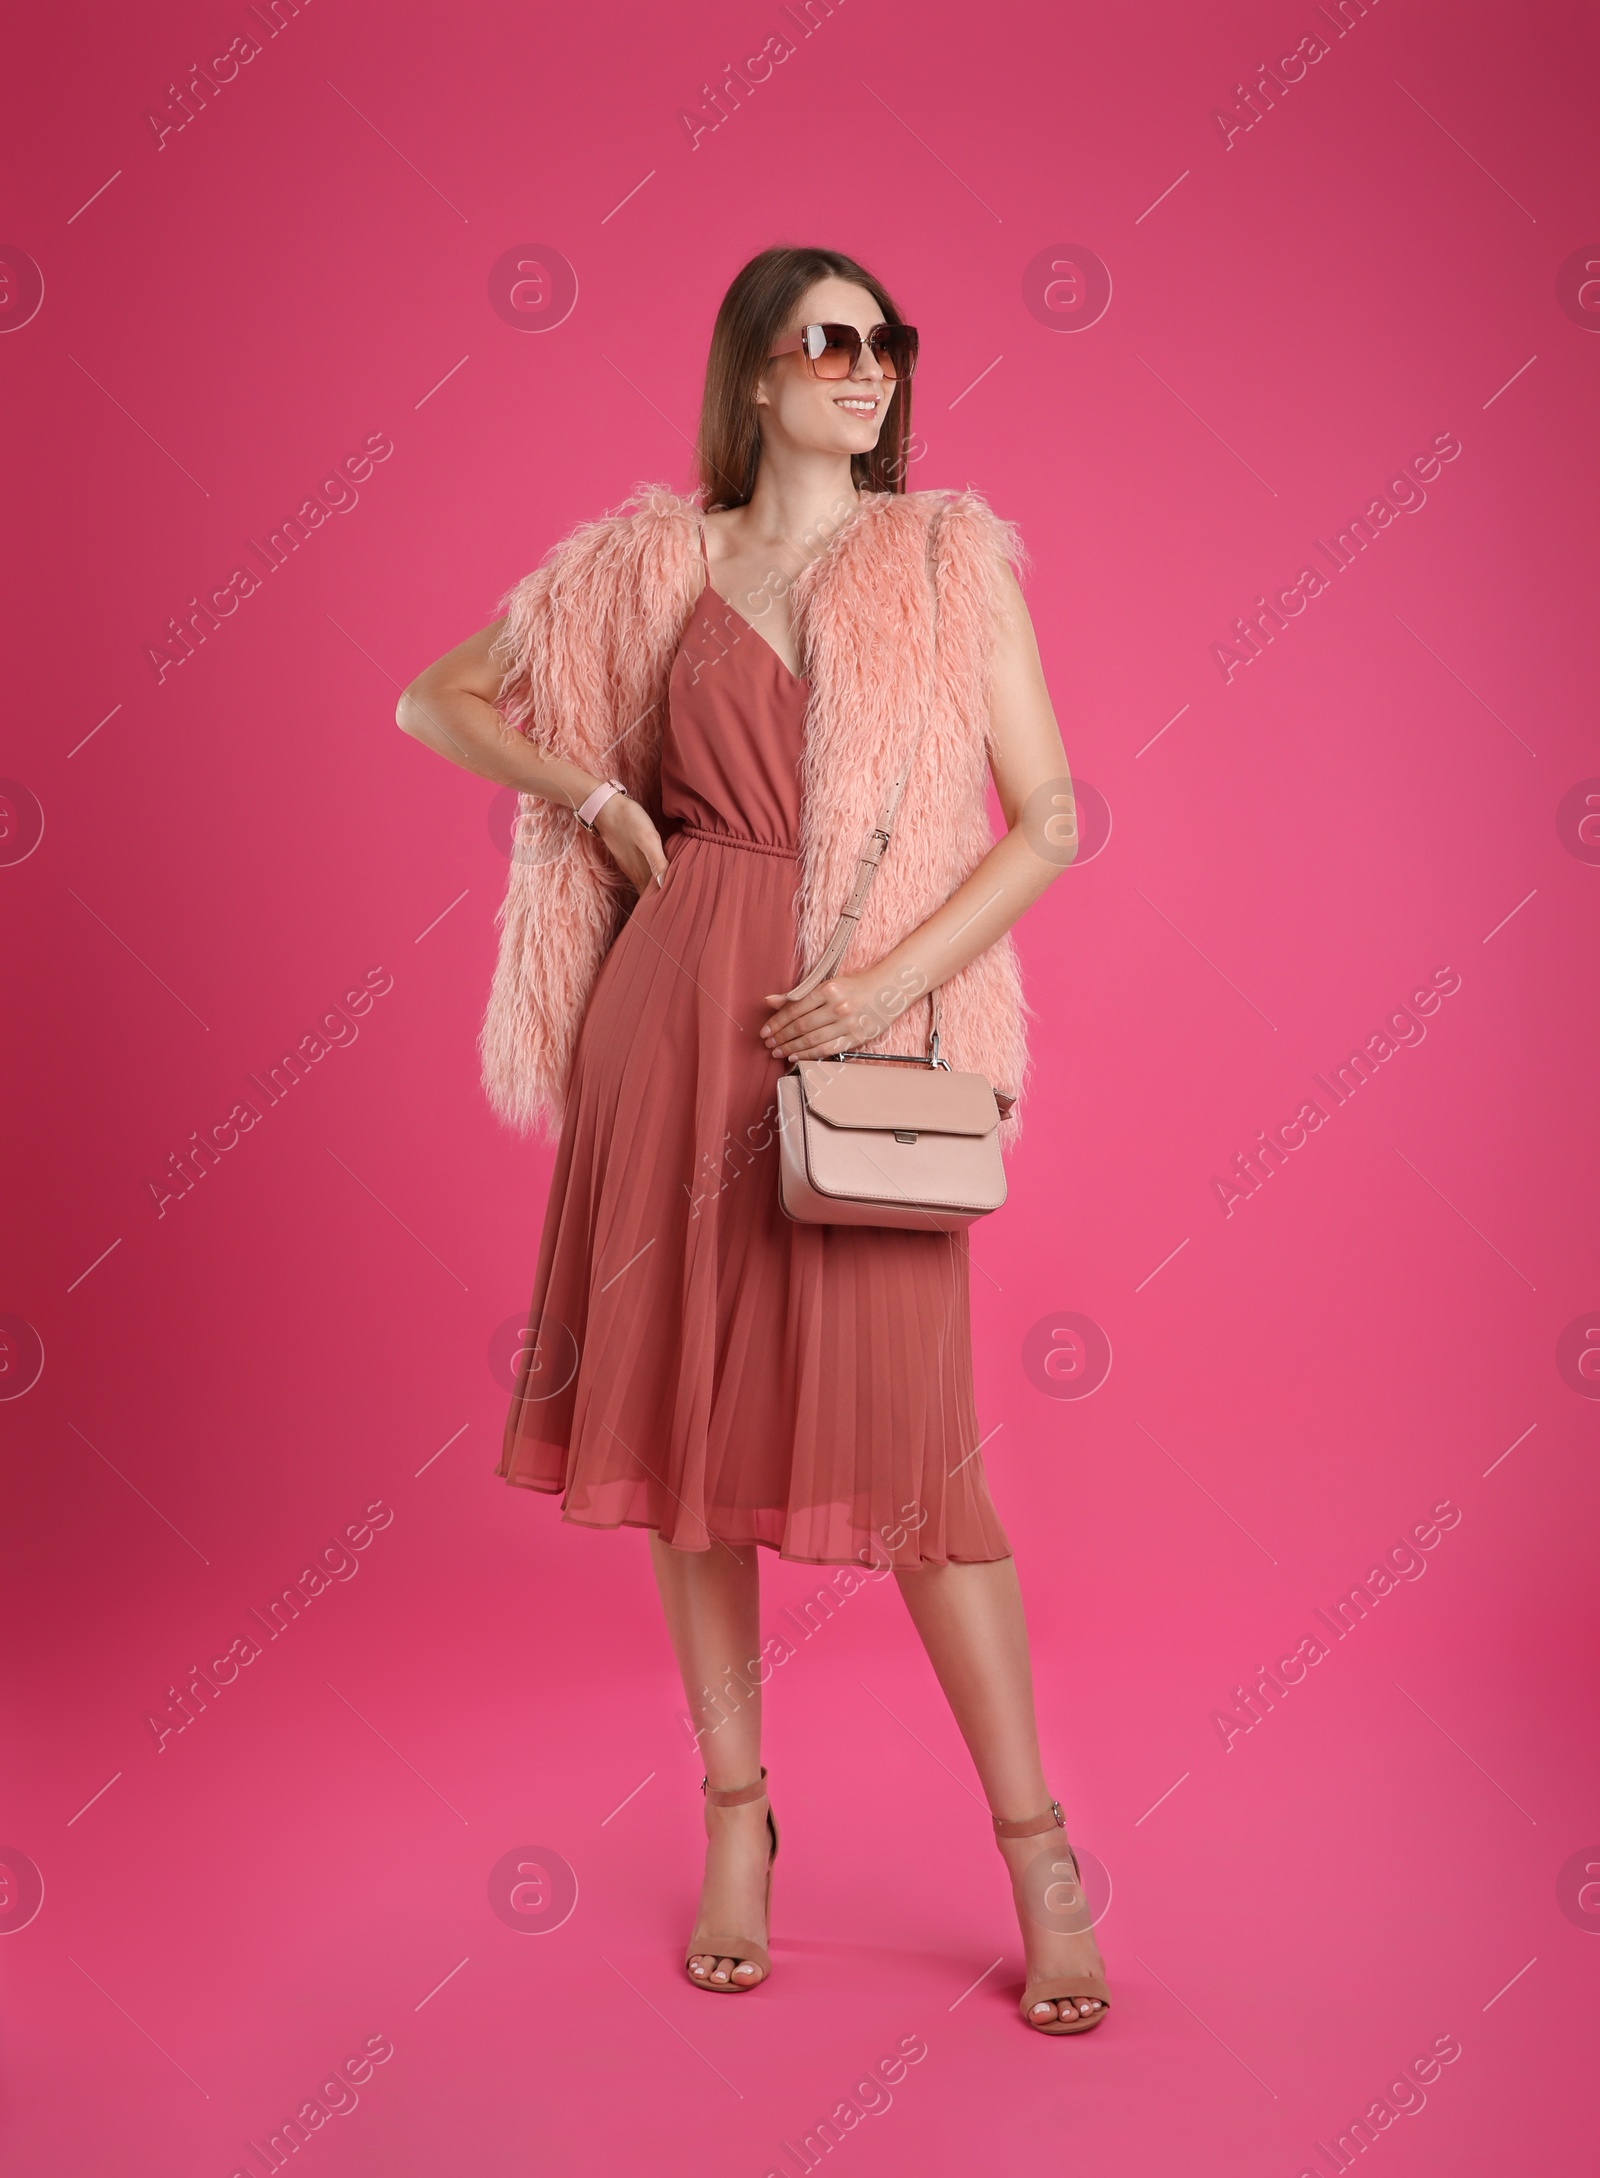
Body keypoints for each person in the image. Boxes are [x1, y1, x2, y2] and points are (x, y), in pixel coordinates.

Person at [396, 245, 1108, 2034]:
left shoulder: (949, 559)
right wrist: (600, 792)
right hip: (671, 1024)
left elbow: (1052, 818)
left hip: (857, 1039)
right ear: (758, 374)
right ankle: (735, 1820)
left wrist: (884, 986)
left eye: (890, 343)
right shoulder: (649, 563)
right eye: (833, 340)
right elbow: (436, 697)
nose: (870, 369)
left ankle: (1038, 1851)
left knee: (926, 1470)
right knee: (686, 1440)